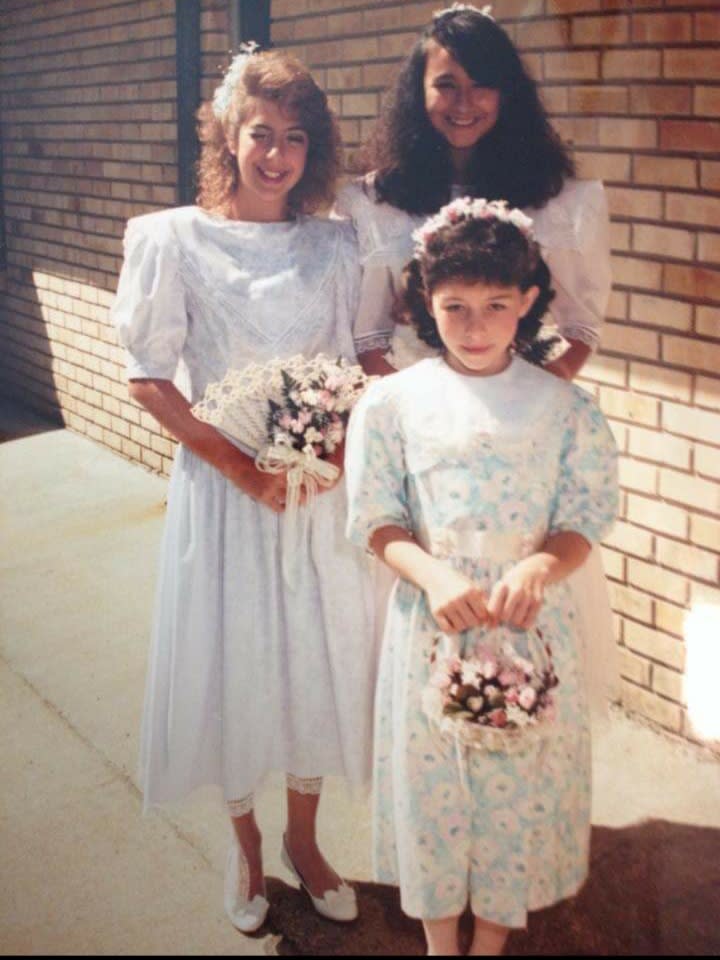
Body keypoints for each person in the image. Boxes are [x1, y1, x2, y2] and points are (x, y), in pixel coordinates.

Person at [111, 47, 383, 933]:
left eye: (296, 138)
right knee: (233, 663)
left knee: (310, 661)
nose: (277, 155)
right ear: (229, 135)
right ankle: (247, 846)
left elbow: (357, 362)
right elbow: (150, 376)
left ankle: (306, 840)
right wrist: (239, 467)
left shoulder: (337, 242)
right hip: (229, 496)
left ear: (314, 149)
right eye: (261, 134)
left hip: (313, 499)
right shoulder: (170, 238)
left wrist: (334, 458)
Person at [344, 198, 618, 956]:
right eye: (455, 306)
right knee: (437, 789)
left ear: (528, 302)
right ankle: (439, 941)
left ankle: (492, 937)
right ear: (424, 306)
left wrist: (539, 563)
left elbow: (584, 516)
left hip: (530, 623)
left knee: (514, 785)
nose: (474, 325)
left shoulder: (564, 407)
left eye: (497, 305)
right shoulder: (393, 404)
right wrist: (430, 575)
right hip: (436, 621)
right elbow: (375, 519)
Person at [335, 2, 617, 718]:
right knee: (428, 667)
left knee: (528, 649)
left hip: (521, 466)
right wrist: (427, 416)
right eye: (446, 84)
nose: (464, 104)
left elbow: (582, 320)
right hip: (422, 463)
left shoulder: (562, 198)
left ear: (509, 92)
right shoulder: (376, 202)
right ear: (418, 91)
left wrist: (525, 403)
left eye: (482, 84)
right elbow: (368, 336)